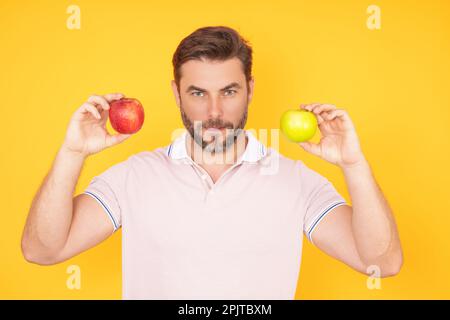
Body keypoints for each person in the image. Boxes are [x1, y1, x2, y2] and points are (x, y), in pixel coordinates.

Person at [21, 26, 403, 299]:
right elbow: (42, 251)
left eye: (230, 91)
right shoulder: (133, 177)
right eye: (198, 92)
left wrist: (353, 163)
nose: (215, 111)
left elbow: (381, 263)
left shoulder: (297, 183)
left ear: (250, 90)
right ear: (177, 94)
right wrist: (73, 153)